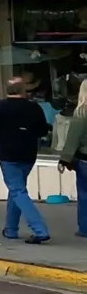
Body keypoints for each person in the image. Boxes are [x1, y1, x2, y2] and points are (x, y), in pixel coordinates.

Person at [0, 75, 51, 244]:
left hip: (7, 155)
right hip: (28, 155)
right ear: (23, 90)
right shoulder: (34, 108)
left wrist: (1, 125)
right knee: (17, 190)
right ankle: (11, 229)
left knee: (18, 191)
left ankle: (40, 229)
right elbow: (42, 131)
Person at [58, 83, 87, 239]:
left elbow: (72, 141)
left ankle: (85, 228)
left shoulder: (82, 115)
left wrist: (64, 160)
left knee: (84, 194)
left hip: (85, 160)